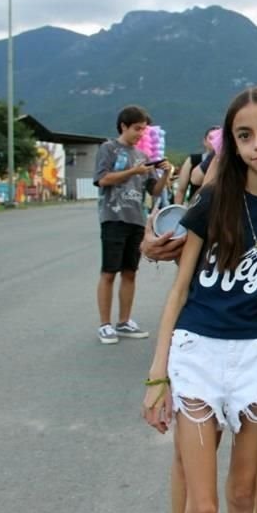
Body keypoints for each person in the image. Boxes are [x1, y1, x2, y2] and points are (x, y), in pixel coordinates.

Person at [141, 86, 257, 513]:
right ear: (230, 144)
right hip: (198, 354)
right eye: (244, 135)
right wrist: (158, 374)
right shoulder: (213, 203)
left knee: (241, 494)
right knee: (204, 505)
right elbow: (179, 290)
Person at [93, 105, 171, 344]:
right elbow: (102, 179)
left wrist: (166, 175)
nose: (140, 133)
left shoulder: (144, 157)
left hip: (136, 219)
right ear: (123, 126)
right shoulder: (109, 148)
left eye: (144, 130)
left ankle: (124, 321)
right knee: (109, 272)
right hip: (113, 217)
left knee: (130, 272)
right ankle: (105, 325)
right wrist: (132, 171)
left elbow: (154, 190)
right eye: (137, 128)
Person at [174, 125, 219, 204]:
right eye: (211, 138)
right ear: (204, 141)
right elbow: (181, 190)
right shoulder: (193, 160)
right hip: (194, 206)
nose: (215, 142)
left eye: (218, 138)